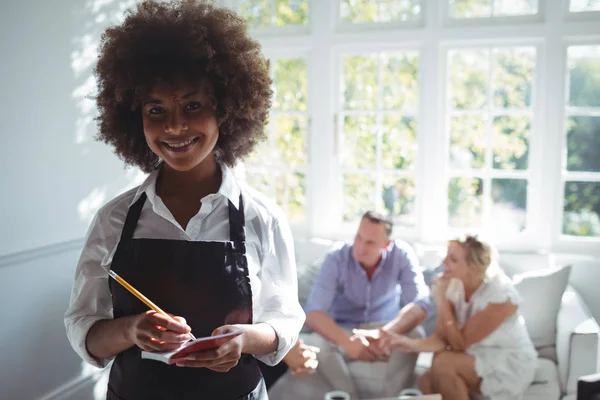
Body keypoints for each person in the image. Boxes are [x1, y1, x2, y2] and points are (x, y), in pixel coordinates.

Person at [63, 1, 305, 399]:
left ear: (225, 110)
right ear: (132, 117)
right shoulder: (113, 220)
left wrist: (245, 341)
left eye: (192, 105)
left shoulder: (262, 218)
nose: (174, 126)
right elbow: (83, 330)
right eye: (156, 110)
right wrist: (130, 329)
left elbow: (284, 323)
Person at [377, 235, 538, 400]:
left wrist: (442, 300)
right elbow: (442, 338)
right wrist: (407, 343)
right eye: (446, 256)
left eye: (452, 259)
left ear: (474, 266)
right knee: (427, 380)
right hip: (473, 355)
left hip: (507, 361)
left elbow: (458, 344)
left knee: (443, 362)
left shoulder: (501, 295)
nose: (444, 263)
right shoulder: (455, 284)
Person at [304, 211, 432, 399]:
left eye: (370, 243)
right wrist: (347, 342)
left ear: (386, 245)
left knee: (416, 334)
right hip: (347, 330)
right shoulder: (336, 258)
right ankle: (349, 396)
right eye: (359, 237)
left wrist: (385, 333)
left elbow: (421, 304)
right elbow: (313, 312)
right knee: (315, 343)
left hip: (386, 330)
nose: (361, 247)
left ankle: (391, 397)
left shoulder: (401, 255)